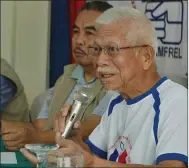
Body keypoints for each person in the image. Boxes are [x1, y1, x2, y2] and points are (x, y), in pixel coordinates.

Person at [25, 7, 187, 167]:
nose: (100, 61)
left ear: (146, 56)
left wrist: (90, 163)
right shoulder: (116, 102)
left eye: (111, 50)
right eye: (98, 50)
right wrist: (73, 140)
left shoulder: (177, 101)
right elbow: (94, 156)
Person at [1, 1, 114, 150]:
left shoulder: (115, 82)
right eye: (75, 32)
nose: (79, 40)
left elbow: (91, 130)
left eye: (89, 33)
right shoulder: (69, 75)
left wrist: (35, 137)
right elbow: (41, 125)